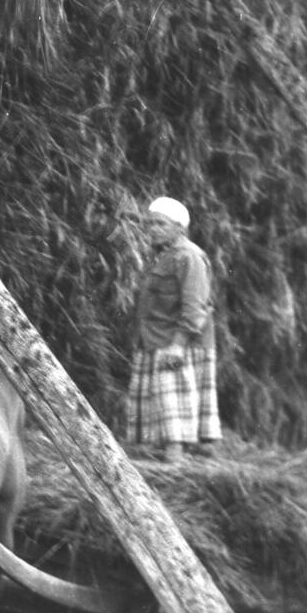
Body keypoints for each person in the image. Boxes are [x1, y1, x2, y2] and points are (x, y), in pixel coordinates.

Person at [127, 196, 221, 464]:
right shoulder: (161, 256)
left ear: (180, 228)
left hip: (177, 342)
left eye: (160, 224)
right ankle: (169, 455)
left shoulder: (189, 256)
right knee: (161, 402)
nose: (153, 229)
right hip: (155, 338)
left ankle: (175, 460)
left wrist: (178, 345)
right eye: (150, 224)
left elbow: (195, 307)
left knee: (173, 405)